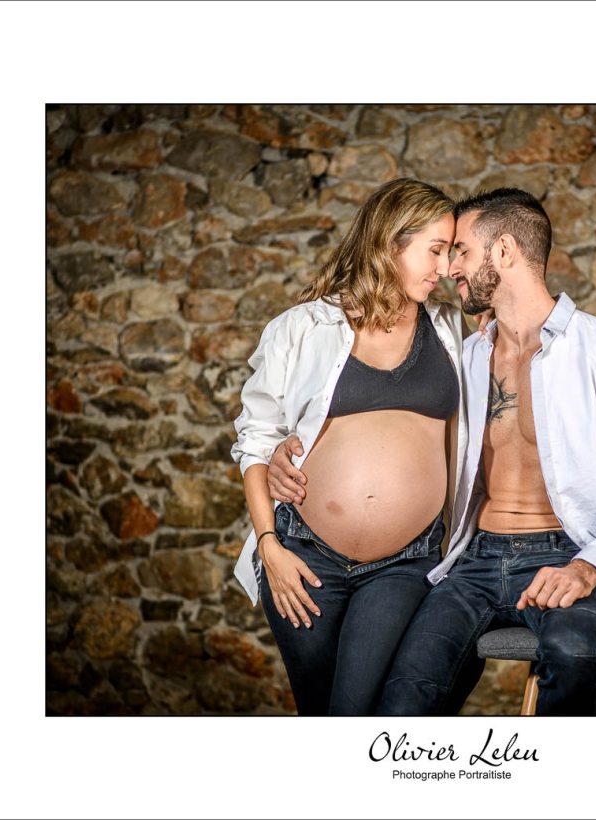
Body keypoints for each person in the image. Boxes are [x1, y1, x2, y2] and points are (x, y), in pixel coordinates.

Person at [271, 188, 596, 716]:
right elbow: (382, 415)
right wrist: (288, 451)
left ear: (503, 251)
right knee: (402, 700)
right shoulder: (462, 354)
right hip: (474, 562)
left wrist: (587, 567)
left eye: (460, 251)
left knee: (572, 652)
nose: (449, 268)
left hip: (569, 553)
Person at [229, 177, 468, 715]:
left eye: (451, 252)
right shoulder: (302, 327)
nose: (445, 267)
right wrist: (270, 547)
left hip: (405, 561)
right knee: (319, 714)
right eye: (434, 250)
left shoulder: (452, 328)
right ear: (389, 242)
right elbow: (257, 441)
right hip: (301, 555)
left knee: (354, 712)